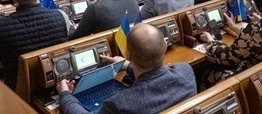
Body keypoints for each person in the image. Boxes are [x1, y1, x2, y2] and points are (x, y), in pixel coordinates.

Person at [58, 23, 197, 114]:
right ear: (165, 48)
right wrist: (127, 66)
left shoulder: (119, 105)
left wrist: (65, 94)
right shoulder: (186, 71)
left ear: (128, 54)